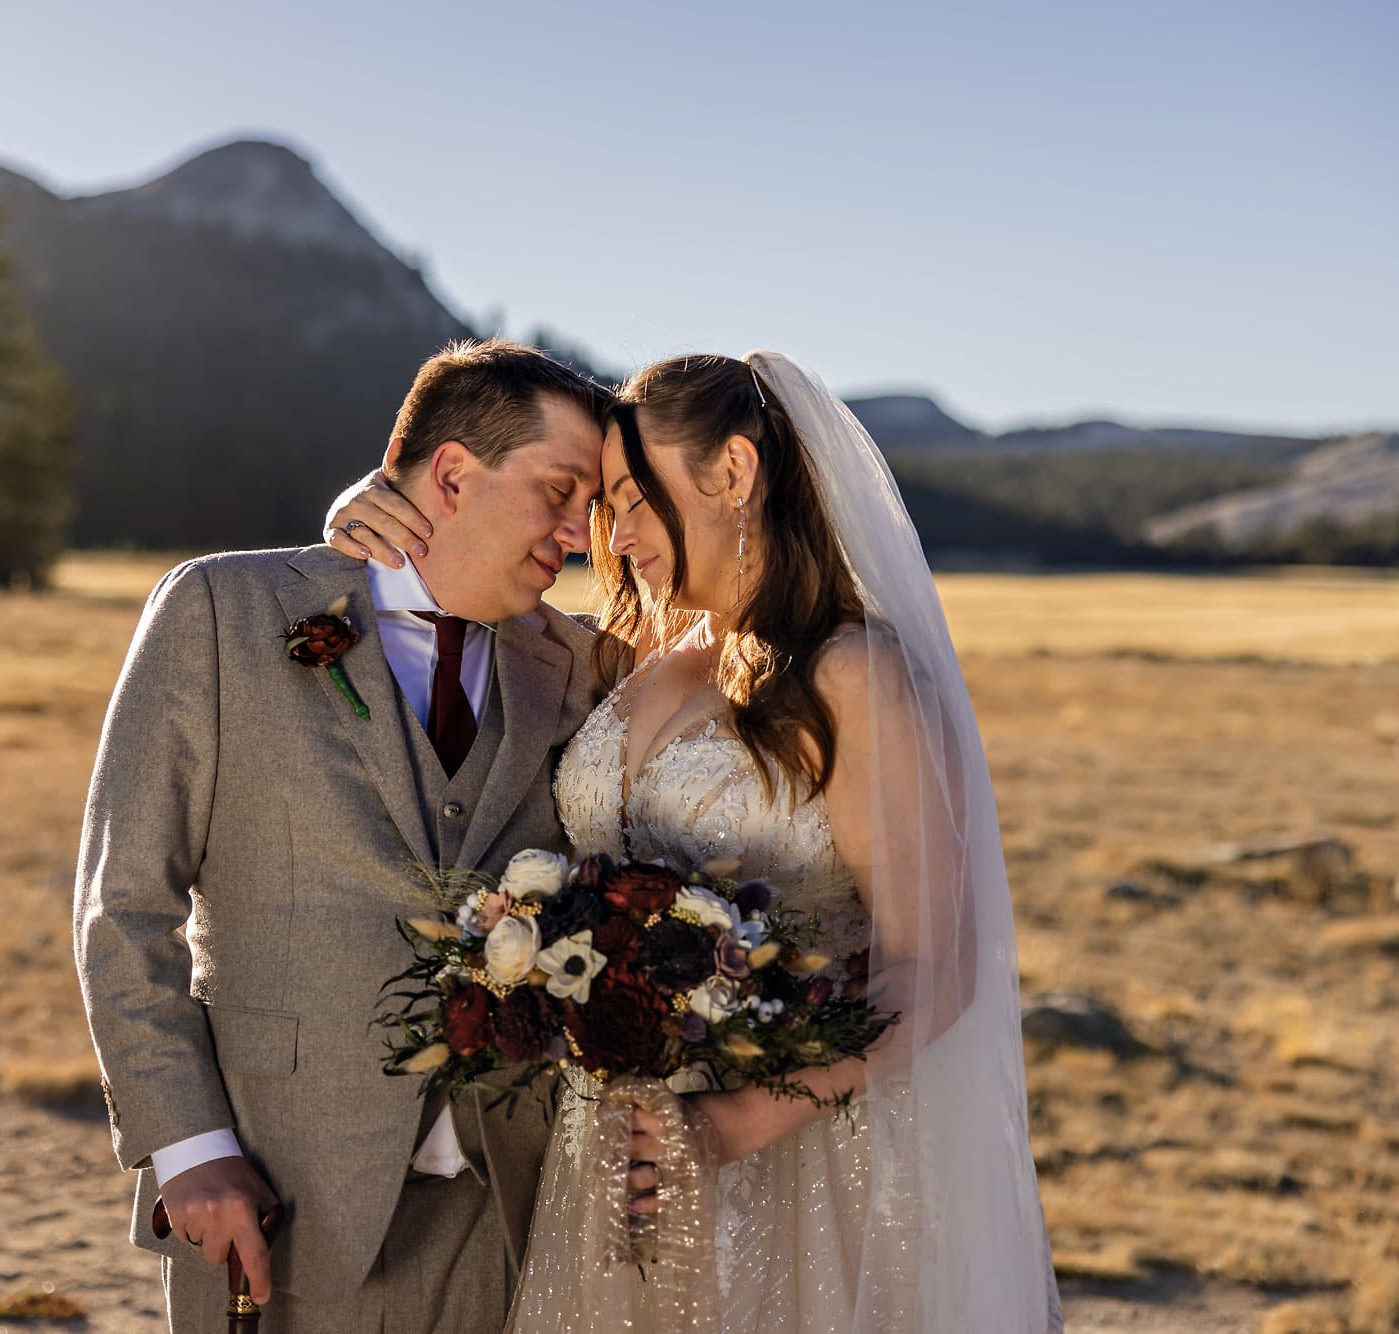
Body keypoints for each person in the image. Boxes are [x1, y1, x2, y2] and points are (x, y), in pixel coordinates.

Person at [324, 351, 1063, 1332]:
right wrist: (370, 517)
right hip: (607, 1151)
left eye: (632, 499)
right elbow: (453, 610)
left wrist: (729, 1123)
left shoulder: (851, 675)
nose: (613, 536)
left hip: (789, 1161)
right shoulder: (631, 654)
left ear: (730, 475)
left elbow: (937, 963)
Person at [74, 338, 615, 1333]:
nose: (580, 532)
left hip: (506, 1207)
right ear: (451, 472)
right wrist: (188, 1148)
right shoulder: (222, 609)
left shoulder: (577, 662)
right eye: (559, 489)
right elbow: (123, 904)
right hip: (274, 1200)